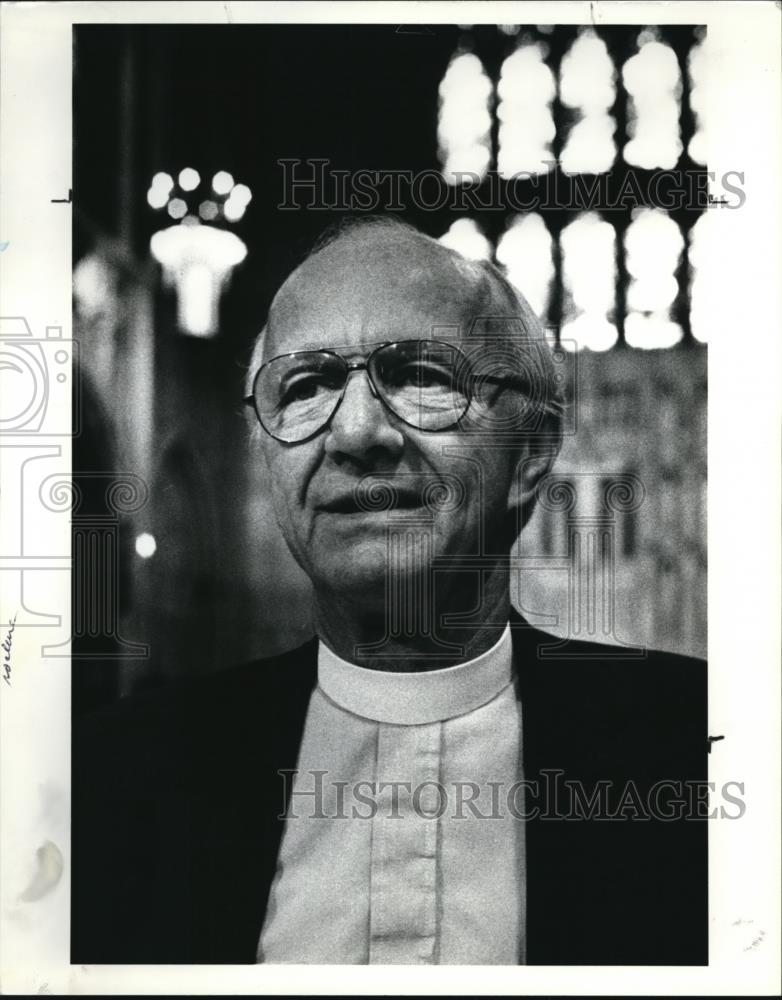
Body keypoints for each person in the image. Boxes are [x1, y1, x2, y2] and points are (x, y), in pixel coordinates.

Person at [72, 216, 707, 966]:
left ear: (530, 454)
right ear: (267, 461)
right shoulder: (122, 775)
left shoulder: (701, 752)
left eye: (422, 375)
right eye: (305, 387)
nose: (356, 433)